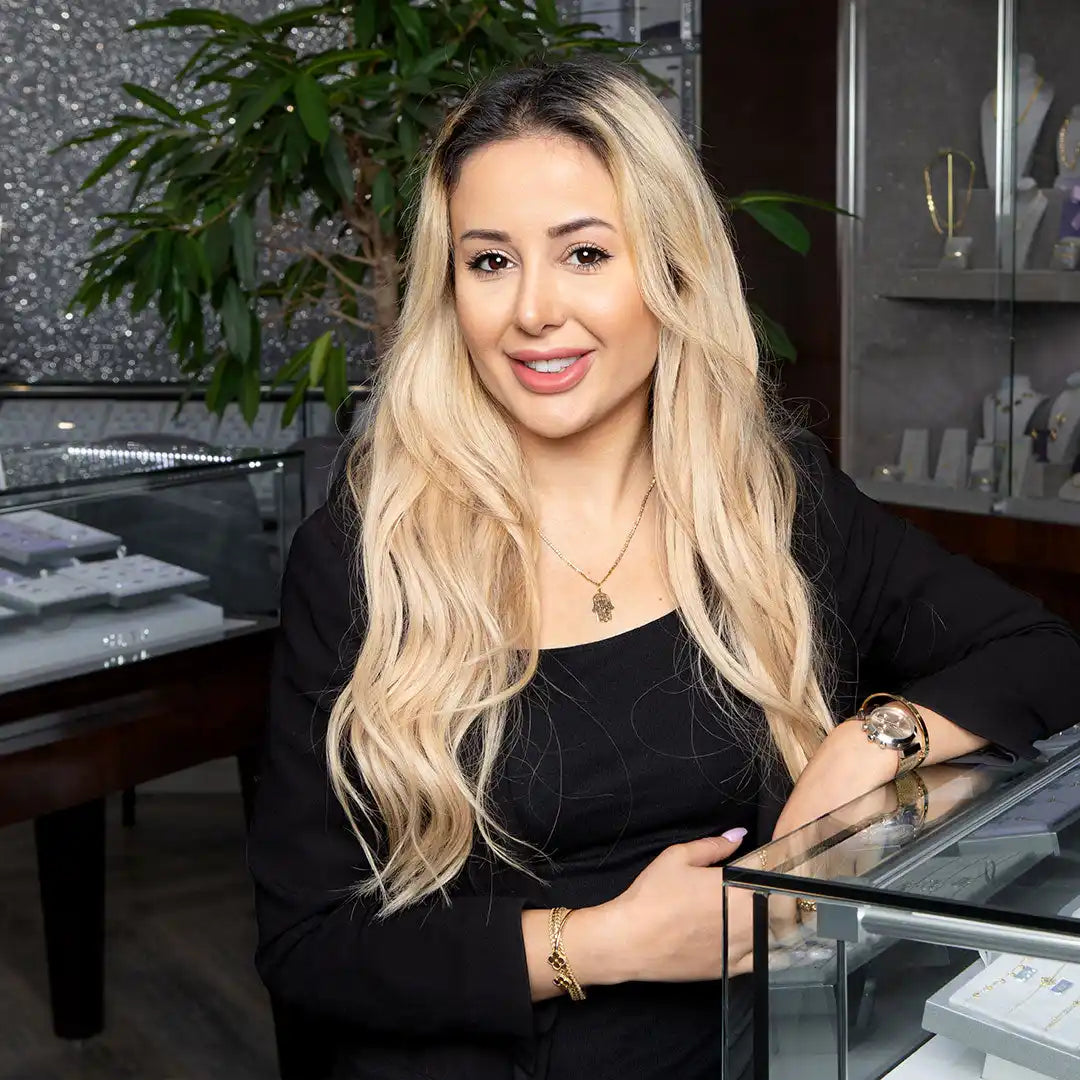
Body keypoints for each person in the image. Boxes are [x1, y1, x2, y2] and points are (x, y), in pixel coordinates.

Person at [247, 56, 1080, 1080]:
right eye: (491, 262)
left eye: (586, 253)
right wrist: (607, 942)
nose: (533, 312)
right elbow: (308, 949)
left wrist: (874, 742)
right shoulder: (366, 553)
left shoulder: (770, 500)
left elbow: (1039, 653)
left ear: (672, 266)